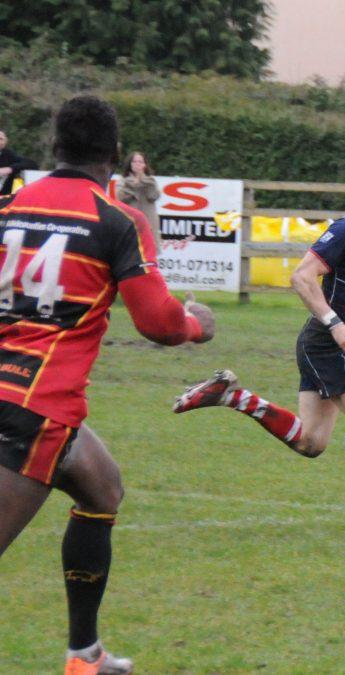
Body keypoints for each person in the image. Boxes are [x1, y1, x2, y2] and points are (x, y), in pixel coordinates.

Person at [0, 95, 215, 675]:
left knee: (102, 490)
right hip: (35, 408)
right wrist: (198, 325)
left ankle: (84, 656)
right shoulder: (117, 220)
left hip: (21, 396)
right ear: (116, 154)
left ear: (54, 147)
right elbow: (159, 323)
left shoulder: (11, 205)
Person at [173, 153, 345, 532]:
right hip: (325, 342)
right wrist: (336, 324)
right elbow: (302, 277)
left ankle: (233, 396)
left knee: (311, 443)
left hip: (332, 347)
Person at [116, 151, 162, 253]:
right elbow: (119, 197)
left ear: (145, 165)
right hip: (129, 224)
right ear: (130, 164)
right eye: (134, 161)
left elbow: (154, 196)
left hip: (148, 224)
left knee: (148, 255)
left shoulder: (151, 181)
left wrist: (144, 182)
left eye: (140, 162)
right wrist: (132, 185)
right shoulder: (123, 181)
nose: (137, 164)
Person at [0, 129, 40, 195]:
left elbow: (32, 164)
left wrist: (10, 169)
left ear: (6, 142)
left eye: (1, 139)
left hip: (3, 200)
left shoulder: (8, 155)